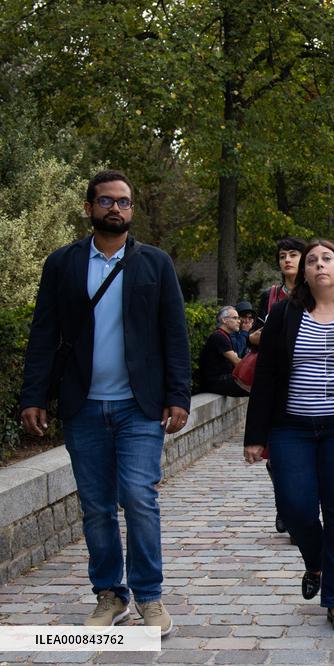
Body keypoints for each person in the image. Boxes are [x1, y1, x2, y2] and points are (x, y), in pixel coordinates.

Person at [20, 170, 190, 634]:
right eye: (106, 201)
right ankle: (110, 595)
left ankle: (150, 598)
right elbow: (43, 334)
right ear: (89, 207)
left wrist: (179, 394)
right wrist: (33, 395)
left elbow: (174, 334)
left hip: (139, 406)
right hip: (84, 405)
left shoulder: (155, 264)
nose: (116, 208)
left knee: (138, 497)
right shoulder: (63, 264)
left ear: (133, 209)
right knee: (96, 506)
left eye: (124, 202)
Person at [243, 239, 334, 634]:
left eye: (327, 259)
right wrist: (255, 435)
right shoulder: (282, 315)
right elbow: (267, 378)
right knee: (296, 508)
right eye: (312, 261)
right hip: (292, 426)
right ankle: (316, 561)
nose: (319, 265)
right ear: (304, 273)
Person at [250, 237, 305, 536]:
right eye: (282, 255)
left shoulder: (316, 292)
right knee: (276, 457)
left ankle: (300, 509)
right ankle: (284, 508)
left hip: (307, 383)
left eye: (293, 254)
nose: (287, 260)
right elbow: (254, 336)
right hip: (276, 383)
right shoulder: (271, 295)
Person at [198, 306, 250, 397]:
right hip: (215, 382)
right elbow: (237, 363)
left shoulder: (225, 335)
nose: (239, 321)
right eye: (235, 318)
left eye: (238, 318)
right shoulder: (219, 336)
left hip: (222, 379)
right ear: (224, 320)